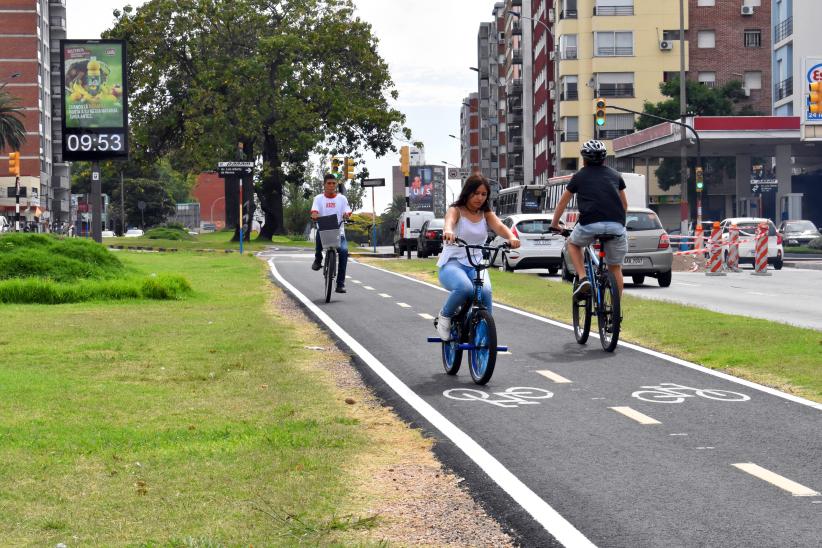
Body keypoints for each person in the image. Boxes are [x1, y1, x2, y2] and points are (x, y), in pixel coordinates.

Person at [435, 174, 520, 341]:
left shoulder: (486, 213)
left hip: (476, 264)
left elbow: (500, 226)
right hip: (452, 264)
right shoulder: (456, 210)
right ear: (467, 193)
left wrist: (511, 237)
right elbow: (449, 222)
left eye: (483, 194)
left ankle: (484, 340)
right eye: (475, 193)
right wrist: (449, 232)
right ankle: (444, 317)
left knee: (486, 292)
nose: (479, 198)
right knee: (465, 288)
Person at [551, 139, 628, 300]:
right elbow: (624, 205)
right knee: (615, 268)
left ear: (584, 159)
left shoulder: (579, 176)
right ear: (604, 158)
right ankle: (615, 313)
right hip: (616, 225)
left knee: (573, 244)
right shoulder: (616, 175)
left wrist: (554, 224)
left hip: (589, 224)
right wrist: (618, 223)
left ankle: (583, 278)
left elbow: (562, 202)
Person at [310, 174, 352, 293]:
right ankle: (318, 259)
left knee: (344, 251)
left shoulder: (342, 199)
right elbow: (314, 211)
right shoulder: (318, 198)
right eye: (329, 183)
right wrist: (314, 215)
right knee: (319, 233)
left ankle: (340, 284)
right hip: (324, 231)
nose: (331, 186)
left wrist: (346, 215)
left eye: (334, 183)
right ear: (324, 185)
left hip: (339, 233)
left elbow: (347, 212)